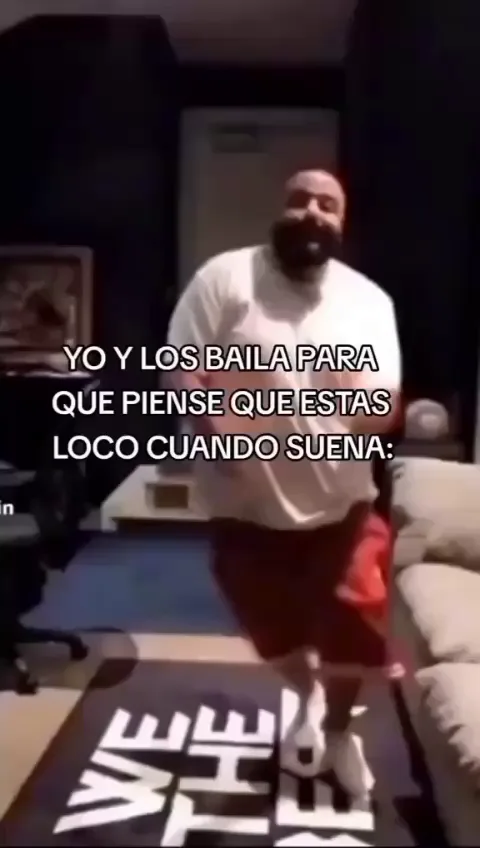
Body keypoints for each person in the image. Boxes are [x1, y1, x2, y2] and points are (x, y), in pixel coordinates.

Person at [167, 170, 402, 798]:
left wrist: (373, 405)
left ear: (341, 222)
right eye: (300, 200)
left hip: (342, 503)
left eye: (328, 204)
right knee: (273, 633)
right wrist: (218, 433)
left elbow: (382, 402)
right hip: (243, 505)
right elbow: (182, 369)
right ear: (281, 210)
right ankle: (307, 693)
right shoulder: (224, 278)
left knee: (355, 630)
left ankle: (338, 731)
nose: (312, 212)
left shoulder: (369, 302)